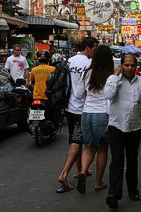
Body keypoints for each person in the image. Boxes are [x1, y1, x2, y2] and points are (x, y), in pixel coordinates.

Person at [104, 53, 141, 210]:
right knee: (117, 160)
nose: (130, 68)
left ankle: (133, 190)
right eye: (127, 65)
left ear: (136, 66)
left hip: (135, 127)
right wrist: (115, 76)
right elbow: (108, 95)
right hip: (116, 126)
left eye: (132, 65)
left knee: (132, 160)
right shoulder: (113, 80)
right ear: (121, 65)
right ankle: (114, 194)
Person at [57, 37, 98, 193]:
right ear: (87, 48)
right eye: (95, 47)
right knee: (79, 141)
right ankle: (64, 174)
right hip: (83, 108)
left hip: (69, 107)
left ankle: (80, 169)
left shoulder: (69, 61)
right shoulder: (89, 64)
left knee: (76, 139)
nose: (96, 50)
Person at [74, 45, 114, 194]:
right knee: (102, 149)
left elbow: (78, 95)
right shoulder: (110, 75)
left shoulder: (87, 73)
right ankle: (98, 182)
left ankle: (83, 171)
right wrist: (110, 121)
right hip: (103, 115)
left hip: (87, 114)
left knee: (89, 147)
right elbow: (110, 99)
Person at [30, 50, 58, 128]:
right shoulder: (53, 69)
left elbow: (32, 81)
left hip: (36, 96)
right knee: (54, 115)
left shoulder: (34, 70)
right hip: (48, 97)